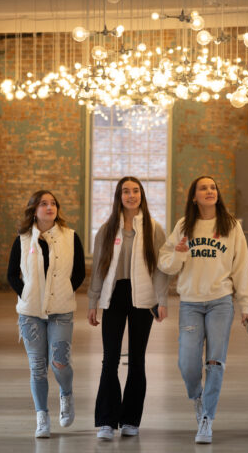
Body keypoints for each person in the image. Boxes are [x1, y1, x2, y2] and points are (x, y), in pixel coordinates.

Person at [158, 175, 248, 444]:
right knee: (187, 363)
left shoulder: (231, 225)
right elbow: (166, 264)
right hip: (190, 303)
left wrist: (245, 305)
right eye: (203, 188)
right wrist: (178, 253)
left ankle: (207, 419)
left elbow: (242, 267)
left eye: (213, 187)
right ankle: (197, 397)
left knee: (215, 361)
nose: (210, 191)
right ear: (194, 196)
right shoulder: (183, 225)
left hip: (220, 302)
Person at [87, 176, 170, 441]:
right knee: (109, 359)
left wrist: (161, 300)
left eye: (135, 191)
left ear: (141, 195)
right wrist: (93, 302)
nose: (131, 195)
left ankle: (131, 419)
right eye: (126, 191)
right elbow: (98, 268)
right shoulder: (107, 229)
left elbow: (161, 268)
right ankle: (106, 421)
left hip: (142, 298)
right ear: (119, 196)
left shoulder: (154, 229)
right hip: (114, 297)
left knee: (137, 359)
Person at [7, 190, 85, 438]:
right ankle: (42, 416)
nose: (49, 207)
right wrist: (26, 294)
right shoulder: (23, 239)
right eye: (43, 203)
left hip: (61, 311)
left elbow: (80, 272)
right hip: (30, 313)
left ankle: (66, 394)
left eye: (53, 203)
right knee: (37, 367)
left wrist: (65, 291)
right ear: (34, 209)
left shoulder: (70, 237)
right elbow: (12, 274)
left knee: (59, 362)